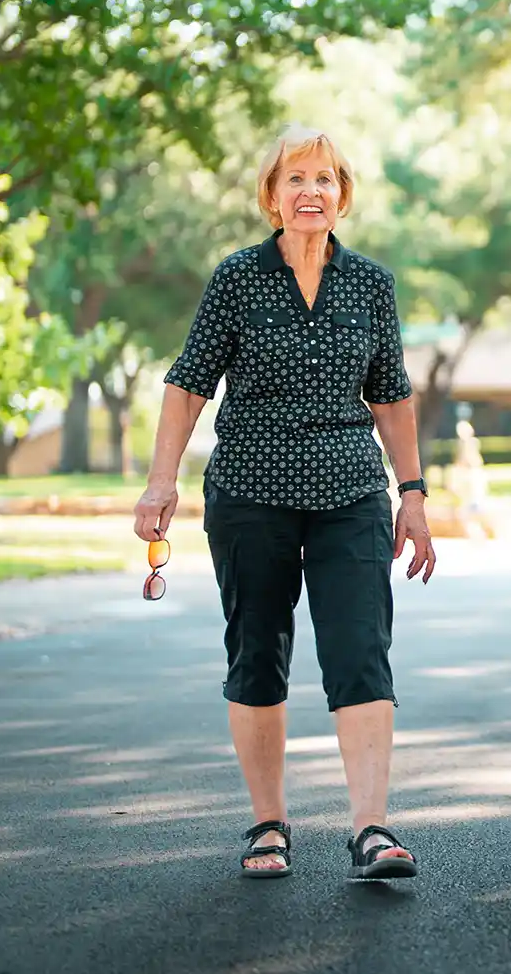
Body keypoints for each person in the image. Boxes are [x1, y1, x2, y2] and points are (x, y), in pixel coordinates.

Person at [133, 124, 438, 882]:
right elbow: (188, 383)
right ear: (272, 197)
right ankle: (269, 825)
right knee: (257, 651)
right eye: (295, 179)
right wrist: (160, 481)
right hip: (251, 490)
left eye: (326, 179)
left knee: (361, 651)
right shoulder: (238, 278)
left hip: (351, 491)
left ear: (343, 196)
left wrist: (414, 492)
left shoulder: (371, 283)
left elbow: (392, 396)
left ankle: (371, 828)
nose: (312, 192)